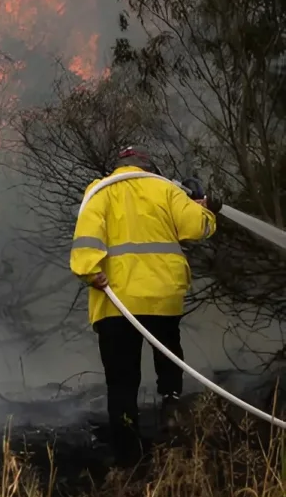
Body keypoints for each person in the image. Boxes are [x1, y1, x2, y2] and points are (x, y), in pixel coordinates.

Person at [70, 146, 221, 466]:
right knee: (168, 348)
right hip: (162, 296)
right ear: (149, 166)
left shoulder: (99, 191)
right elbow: (197, 227)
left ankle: (128, 459)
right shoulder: (165, 188)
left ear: (118, 168)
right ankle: (171, 405)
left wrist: (90, 271)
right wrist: (207, 210)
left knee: (122, 381)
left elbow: (86, 236)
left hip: (115, 301)